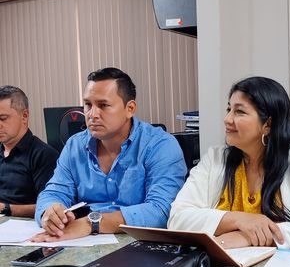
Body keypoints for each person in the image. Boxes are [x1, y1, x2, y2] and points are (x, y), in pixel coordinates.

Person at [168, 76, 290, 250]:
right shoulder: (215, 159)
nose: (227, 119)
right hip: (226, 266)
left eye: (239, 112)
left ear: (268, 124)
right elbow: (177, 219)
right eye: (229, 109)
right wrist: (239, 219)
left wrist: (247, 237)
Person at [33, 67, 186, 241]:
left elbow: (162, 211)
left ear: (130, 108)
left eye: (103, 105)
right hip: (81, 241)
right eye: (88, 104)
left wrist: (92, 223)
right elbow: (54, 192)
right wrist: (50, 211)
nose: (92, 114)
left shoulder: (160, 145)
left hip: (140, 243)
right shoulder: (75, 145)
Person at [0, 85, 58, 218]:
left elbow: (50, 207)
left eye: (3, 118)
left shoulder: (44, 155)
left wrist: (5, 208)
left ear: (24, 116)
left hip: (23, 225)